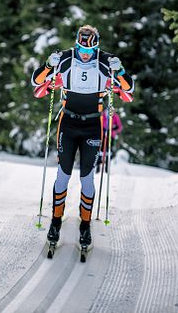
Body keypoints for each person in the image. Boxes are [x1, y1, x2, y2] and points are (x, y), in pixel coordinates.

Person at [31, 25, 134, 248]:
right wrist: (49, 65)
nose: (85, 54)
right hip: (68, 123)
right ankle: (56, 221)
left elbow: (128, 92)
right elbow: (37, 84)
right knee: (63, 174)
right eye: (81, 49)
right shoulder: (66, 59)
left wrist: (122, 71)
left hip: (93, 125)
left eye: (90, 50)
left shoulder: (106, 62)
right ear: (76, 44)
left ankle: (85, 225)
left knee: (87, 178)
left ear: (97, 46)